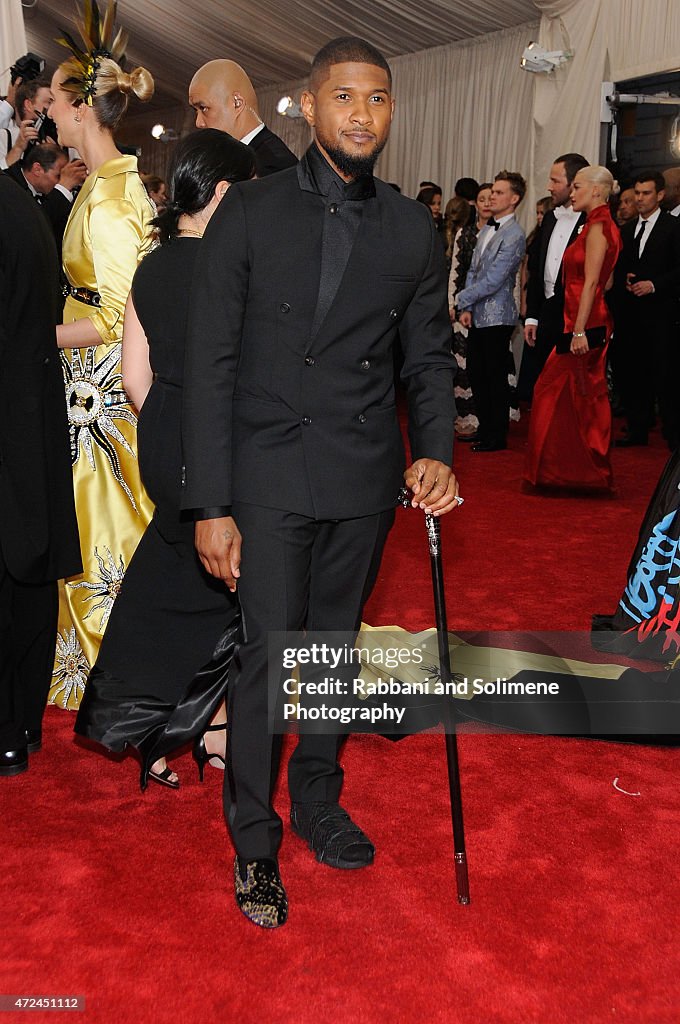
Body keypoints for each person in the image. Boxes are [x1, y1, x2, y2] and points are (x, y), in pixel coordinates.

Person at [181, 36, 460, 928]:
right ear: (310, 103)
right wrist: (210, 503)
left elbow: (425, 357)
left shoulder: (414, 229)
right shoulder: (251, 212)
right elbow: (210, 363)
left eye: (377, 99)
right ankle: (255, 842)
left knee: (333, 654)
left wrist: (439, 450)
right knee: (269, 659)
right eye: (344, 96)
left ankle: (319, 798)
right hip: (265, 472)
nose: (361, 114)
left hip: (361, 474)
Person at [75, 130, 254, 789]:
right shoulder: (235, 267)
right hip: (223, 440)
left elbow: (133, 378)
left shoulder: (152, 266)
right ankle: (203, 728)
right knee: (238, 592)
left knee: (178, 582)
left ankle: (164, 728)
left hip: (166, 434)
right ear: (228, 192)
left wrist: (168, 431)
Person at [46, 1, 156, 710]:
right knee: (93, 521)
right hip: (85, 386)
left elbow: (118, 319)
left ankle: (118, 664)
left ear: (83, 106)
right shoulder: (99, 182)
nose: (47, 115)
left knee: (109, 521)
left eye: (54, 102)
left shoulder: (114, 197)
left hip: (103, 394)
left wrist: (36, 336)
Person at [0, 176, 81, 776]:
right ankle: (23, 724)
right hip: (33, 411)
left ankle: (8, 726)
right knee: (26, 568)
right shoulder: (21, 205)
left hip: (12, 411)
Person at [524, 166, 622, 492]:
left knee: (562, 393)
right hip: (582, 319)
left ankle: (577, 472)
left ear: (596, 190)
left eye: (578, 186)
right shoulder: (598, 225)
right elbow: (607, 279)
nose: (573, 192)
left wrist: (578, 330)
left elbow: (595, 282)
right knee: (573, 397)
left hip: (585, 325)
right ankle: (571, 473)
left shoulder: (598, 228)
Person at [456, 170, 526, 452]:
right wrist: (468, 306)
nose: (492, 197)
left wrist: (460, 297)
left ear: (514, 198)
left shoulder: (514, 234)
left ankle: (496, 436)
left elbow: (496, 279)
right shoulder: (487, 228)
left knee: (494, 377)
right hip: (479, 314)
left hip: (498, 316)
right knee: (477, 373)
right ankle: (485, 429)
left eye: (499, 192)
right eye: (492, 192)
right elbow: (473, 270)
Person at [611, 171, 680, 450]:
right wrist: (626, 278)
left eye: (646, 193)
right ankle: (637, 429)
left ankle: (674, 435)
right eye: (637, 193)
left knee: (666, 377)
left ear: (660, 195)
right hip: (631, 316)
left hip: (663, 315)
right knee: (634, 373)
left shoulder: (674, 227)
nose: (640, 199)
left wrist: (654, 285)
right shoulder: (627, 230)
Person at [522, 153, 589, 401]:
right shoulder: (550, 218)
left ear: (574, 184)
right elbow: (538, 269)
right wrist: (532, 316)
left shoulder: (591, 221)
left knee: (573, 389)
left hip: (576, 316)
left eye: (555, 181)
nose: (549, 187)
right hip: (548, 313)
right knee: (546, 384)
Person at [189, 59, 297, 176]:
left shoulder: (274, 167)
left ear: (237, 103)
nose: (198, 123)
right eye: (196, 110)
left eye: (203, 108)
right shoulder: (237, 158)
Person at [446, 194, 479, 439]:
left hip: (485, 310)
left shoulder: (502, 234)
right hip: (462, 306)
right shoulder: (463, 235)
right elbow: (455, 272)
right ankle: (464, 415)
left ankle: (479, 417)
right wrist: (453, 302)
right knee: (461, 364)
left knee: (480, 367)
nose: (488, 202)